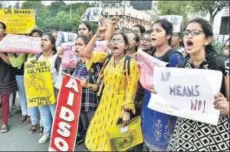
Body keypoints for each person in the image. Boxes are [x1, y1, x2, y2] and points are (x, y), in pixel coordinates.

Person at [167, 18, 229, 151]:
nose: (189, 36)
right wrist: (163, 92)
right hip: (185, 133)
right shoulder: (181, 67)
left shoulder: (223, 65)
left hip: (214, 135)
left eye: (196, 33)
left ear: (207, 40)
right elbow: (175, 99)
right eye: (187, 32)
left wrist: (227, 107)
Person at [83, 28, 140, 151]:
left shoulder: (131, 63)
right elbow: (86, 53)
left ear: (126, 46)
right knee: (96, 134)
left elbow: (131, 89)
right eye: (113, 40)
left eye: (119, 40)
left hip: (119, 106)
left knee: (116, 142)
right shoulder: (107, 58)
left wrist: (126, 111)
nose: (115, 42)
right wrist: (96, 34)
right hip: (104, 104)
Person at [141, 19, 184, 151]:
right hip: (148, 104)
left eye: (158, 30)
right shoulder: (150, 55)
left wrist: (163, 89)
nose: (153, 34)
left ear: (169, 35)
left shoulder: (174, 57)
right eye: (152, 30)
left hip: (164, 110)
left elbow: (179, 88)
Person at [28, 33, 61, 143]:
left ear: (52, 44)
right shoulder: (36, 57)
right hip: (40, 91)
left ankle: (57, 135)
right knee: (44, 112)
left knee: (54, 112)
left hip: (53, 91)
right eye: (41, 40)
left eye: (45, 40)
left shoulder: (57, 58)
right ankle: (47, 133)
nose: (42, 42)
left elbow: (60, 75)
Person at [71, 35, 101, 146]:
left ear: (88, 47)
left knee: (94, 128)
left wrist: (87, 85)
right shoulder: (79, 63)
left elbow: (100, 87)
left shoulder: (95, 64)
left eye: (80, 44)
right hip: (80, 103)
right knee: (86, 128)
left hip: (91, 104)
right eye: (75, 44)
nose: (76, 47)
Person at [8, 29, 43, 125]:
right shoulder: (26, 50)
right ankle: (25, 114)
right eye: (32, 37)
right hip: (22, 75)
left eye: (37, 37)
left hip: (38, 78)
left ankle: (34, 117)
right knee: (23, 95)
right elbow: (16, 63)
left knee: (35, 98)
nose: (34, 39)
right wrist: (10, 55)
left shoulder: (44, 50)